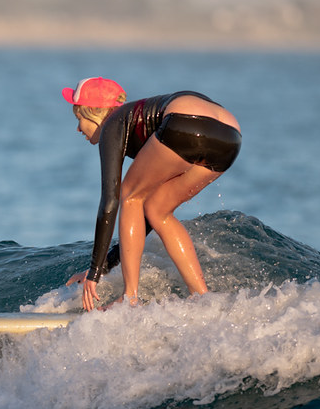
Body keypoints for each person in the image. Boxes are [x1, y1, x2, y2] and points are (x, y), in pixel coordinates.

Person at [63, 77, 241, 311]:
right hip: (230, 137)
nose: (78, 128)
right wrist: (105, 266)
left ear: (95, 112)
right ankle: (201, 296)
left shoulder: (112, 124)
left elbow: (111, 201)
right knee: (157, 209)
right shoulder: (138, 121)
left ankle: (130, 298)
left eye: (79, 119)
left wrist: (94, 274)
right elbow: (139, 217)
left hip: (186, 122)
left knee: (130, 193)